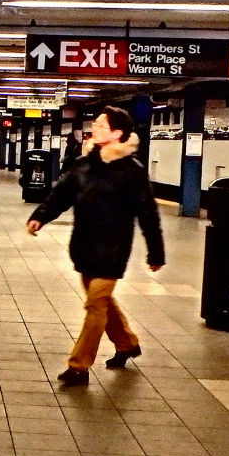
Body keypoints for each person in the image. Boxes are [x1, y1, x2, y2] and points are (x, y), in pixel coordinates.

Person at [25, 106, 165, 386]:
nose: (94, 128)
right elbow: (61, 194)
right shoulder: (84, 163)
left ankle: (79, 366)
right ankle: (127, 343)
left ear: (117, 133)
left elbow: (147, 213)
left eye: (101, 125)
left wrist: (156, 251)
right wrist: (40, 216)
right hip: (84, 244)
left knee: (95, 305)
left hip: (113, 249)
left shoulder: (131, 171)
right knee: (100, 301)